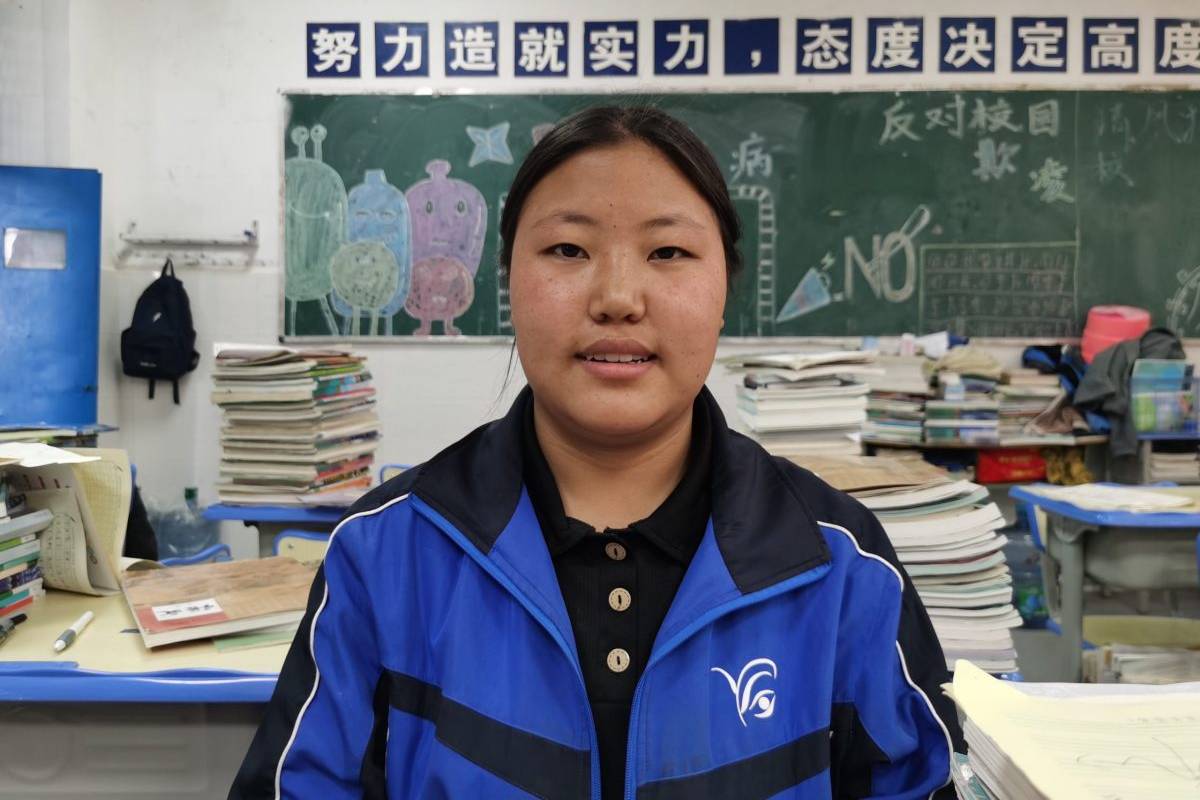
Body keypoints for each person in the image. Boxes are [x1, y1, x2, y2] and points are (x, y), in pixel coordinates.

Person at [231, 105, 962, 799]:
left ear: (724, 286)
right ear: (508, 279)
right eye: (567, 249)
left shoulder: (838, 565)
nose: (617, 297)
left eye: (668, 251)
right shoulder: (386, 553)